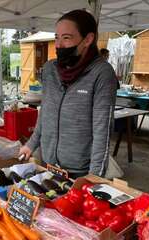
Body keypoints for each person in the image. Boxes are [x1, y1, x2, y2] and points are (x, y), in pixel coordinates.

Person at [19, 9, 118, 178]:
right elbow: (45, 113)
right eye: (57, 37)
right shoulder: (50, 69)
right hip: (47, 163)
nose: (58, 45)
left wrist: (94, 177)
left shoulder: (102, 73)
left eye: (66, 38)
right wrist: (31, 144)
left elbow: (102, 130)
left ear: (88, 39)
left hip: (79, 171)